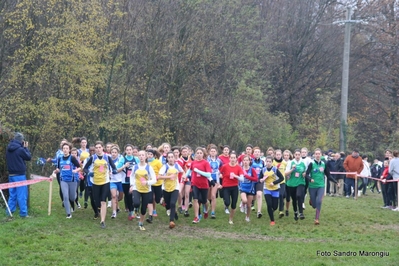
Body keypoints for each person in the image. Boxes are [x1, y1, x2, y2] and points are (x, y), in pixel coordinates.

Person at [83, 141, 117, 229]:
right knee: (97, 201)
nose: (98, 149)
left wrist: (114, 170)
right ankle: (99, 210)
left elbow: (113, 167)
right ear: (95, 149)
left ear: (102, 148)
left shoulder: (107, 157)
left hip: (105, 182)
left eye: (99, 147)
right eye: (96, 147)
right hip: (95, 182)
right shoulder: (92, 158)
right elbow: (85, 168)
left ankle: (102, 221)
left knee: (103, 201)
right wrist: (89, 173)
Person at [306, 148, 339, 225]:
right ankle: (311, 201)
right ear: (314, 155)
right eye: (316, 154)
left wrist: (335, 182)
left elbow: (328, 175)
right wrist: (310, 179)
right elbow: (307, 174)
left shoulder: (324, 164)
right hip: (312, 186)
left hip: (321, 185)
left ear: (321, 155)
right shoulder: (311, 163)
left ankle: (316, 219)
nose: (317, 155)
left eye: (319, 154)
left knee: (319, 201)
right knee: (314, 205)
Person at [5, 132, 31, 217]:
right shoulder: (20, 149)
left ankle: (9, 212)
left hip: (11, 175)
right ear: (21, 140)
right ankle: (23, 213)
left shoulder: (8, 148)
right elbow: (28, 157)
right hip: (19, 175)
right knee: (22, 195)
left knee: (12, 195)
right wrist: (26, 148)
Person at [129, 150, 157, 231]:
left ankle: (141, 223)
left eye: (143, 155)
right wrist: (132, 185)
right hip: (136, 188)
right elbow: (132, 176)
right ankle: (135, 209)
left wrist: (147, 182)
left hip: (146, 190)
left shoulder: (149, 168)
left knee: (144, 209)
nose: (141, 157)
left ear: (146, 157)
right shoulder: (135, 167)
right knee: (137, 203)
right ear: (138, 157)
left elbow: (154, 179)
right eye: (140, 155)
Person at [158, 152, 185, 228]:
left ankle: (171, 221)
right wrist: (169, 177)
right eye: (169, 157)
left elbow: (183, 172)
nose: (170, 159)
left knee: (173, 203)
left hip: (175, 187)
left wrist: (184, 176)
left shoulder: (177, 166)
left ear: (174, 158)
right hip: (165, 188)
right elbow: (159, 177)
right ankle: (174, 212)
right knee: (168, 205)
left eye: (171, 157)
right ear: (167, 159)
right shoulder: (165, 167)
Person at [55, 143, 81, 218]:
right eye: (64, 148)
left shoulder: (72, 158)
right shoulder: (60, 158)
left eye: (67, 148)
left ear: (69, 150)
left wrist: (75, 171)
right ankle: (68, 214)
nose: (65, 150)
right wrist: (56, 171)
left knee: (72, 198)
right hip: (63, 180)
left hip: (72, 180)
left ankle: (75, 196)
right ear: (62, 150)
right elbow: (59, 168)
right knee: (65, 196)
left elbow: (79, 167)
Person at [219, 151, 244, 224]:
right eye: (231, 158)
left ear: (236, 159)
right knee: (227, 202)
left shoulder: (238, 168)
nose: (233, 159)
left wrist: (235, 176)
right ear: (229, 158)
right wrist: (219, 181)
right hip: (226, 187)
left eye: (234, 158)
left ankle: (231, 218)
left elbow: (242, 179)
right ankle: (226, 205)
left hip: (234, 187)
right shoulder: (225, 166)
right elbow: (218, 173)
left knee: (233, 205)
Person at [190, 147, 213, 224]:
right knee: (195, 199)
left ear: (203, 154)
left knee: (204, 201)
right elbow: (190, 171)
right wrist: (185, 176)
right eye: (198, 153)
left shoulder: (206, 163)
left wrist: (198, 171)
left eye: (200, 153)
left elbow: (208, 174)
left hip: (204, 185)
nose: (199, 154)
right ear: (195, 154)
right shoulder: (193, 162)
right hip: (195, 183)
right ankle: (196, 217)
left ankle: (206, 210)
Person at [260, 156, 285, 225]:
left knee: (275, 206)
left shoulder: (275, 169)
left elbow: (282, 178)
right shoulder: (263, 170)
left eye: (270, 162)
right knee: (269, 204)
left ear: (272, 162)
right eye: (267, 161)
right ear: (265, 162)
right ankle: (272, 220)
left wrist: (274, 183)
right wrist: (261, 180)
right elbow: (259, 178)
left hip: (275, 189)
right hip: (267, 189)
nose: (268, 163)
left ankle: (272, 210)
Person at [285, 149, 306, 221]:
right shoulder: (290, 162)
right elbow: (286, 174)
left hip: (300, 182)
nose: (297, 156)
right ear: (294, 155)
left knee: (299, 195)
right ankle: (295, 212)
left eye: (299, 155)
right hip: (291, 183)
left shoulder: (303, 163)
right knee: (294, 199)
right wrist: (292, 169)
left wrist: (304, 174)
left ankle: (301, 212)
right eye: (296, 155)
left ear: (300, 155)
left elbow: (306, 172)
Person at [239, 155, 258, 222]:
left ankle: (247, 217)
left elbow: (256, 179)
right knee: (244, 200)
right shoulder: (240, 169)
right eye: (244, 160)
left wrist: (247, 176)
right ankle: (242, 204)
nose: (245, 162)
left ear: (250, 161)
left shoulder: (252, 169)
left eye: (247, 160)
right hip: (242, 188)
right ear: (242, 161)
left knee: (249, 205)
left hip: (250, 189)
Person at [147, 149, 163, 222]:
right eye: (148, 154)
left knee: (157, 200)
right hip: (150, 183)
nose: (149, 155)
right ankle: (152, 212)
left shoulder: (157, 162)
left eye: (151, 154)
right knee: (151, 198)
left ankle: (162, 199)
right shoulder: (145, 162)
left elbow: (162, 170)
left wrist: (159, 176)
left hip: (157, 183)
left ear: (154, 155)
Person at [207, 145, 222, 218]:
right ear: (209, 152)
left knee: (213, 195)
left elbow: (222, 168)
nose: (213, 152)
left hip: (216, 179)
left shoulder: (219, 161)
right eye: (211, 151)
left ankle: (213, 212)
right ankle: (207, 206)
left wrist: (221, 173)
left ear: (216, 152)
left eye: (214, 151)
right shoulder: (207, 160)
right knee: (208, 196)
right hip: (207, 179)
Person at [273, 149, 287, 219]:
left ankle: (281, 210)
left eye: (279, 155)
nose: (278, 156)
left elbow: (286, 171)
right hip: (275, 182)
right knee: (276, 197)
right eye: (277, 155)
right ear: (275, 155)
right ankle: (274, 207)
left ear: (281, 155)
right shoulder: (273, 162)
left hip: (282, 182)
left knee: (281, 195)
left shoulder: (284, 162)